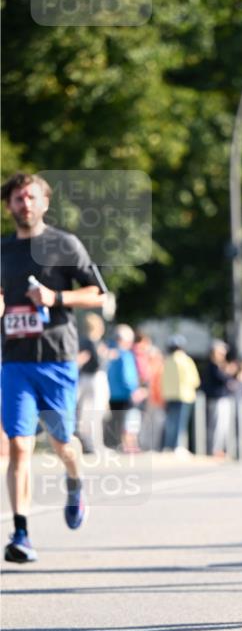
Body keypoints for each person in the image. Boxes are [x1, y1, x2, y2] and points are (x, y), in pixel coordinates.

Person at [1, 171, 106, 563]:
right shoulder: (3, 250)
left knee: (63, 444)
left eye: (30, 197)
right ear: (9, 205)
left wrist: (54, 296)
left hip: (57, 359)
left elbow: (97, 294)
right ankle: (22, 533)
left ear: (44, 203)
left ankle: (76, 481)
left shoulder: (64, 244)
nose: (24, 204)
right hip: (14, 360)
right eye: (17, 199)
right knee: (18, 445)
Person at [106, 324, 145, 453]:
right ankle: (129, 446)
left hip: (112, 394)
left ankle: (118, 445)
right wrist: (134, 390)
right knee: (129, 422)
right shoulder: (125, 355)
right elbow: (127, 377)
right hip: (125, 394)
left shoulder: (109, 351)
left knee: (117, 422)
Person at [76, 311, 109, 454]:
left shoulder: (82, 341)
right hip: (95, 378)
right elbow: (97, 362)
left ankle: (87, 443)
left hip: (83, 378)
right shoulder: (95, 342)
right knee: (96, 411)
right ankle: (95, 444)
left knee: (85, 412)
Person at [161, 334, 200, 451]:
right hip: (184, 395)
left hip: (169, 395)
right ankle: (177, 446)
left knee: (170, 422)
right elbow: (195, 380)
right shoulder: (185, 360)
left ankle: (168, 445)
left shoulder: (167, 360)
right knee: (180, 423)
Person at [204, 339, 235, 458]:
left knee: (223, 426)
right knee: (217, 426)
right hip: (217, 399)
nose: (223, 355)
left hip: (223, 399)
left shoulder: (219, 366)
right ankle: (215, 449)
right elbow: (223, 379)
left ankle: (220, 449)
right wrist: (228, 371)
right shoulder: (213, 366)